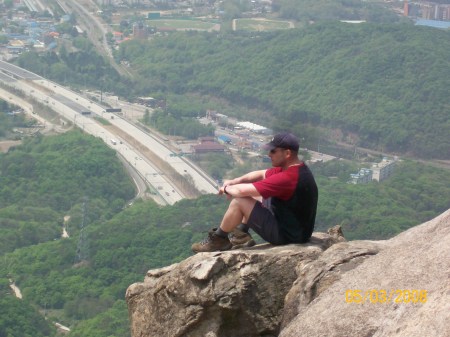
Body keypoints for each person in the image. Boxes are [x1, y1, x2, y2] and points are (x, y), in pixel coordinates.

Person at [192, 131, 318, 253]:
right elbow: (261, 174)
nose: (269, 154)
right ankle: (241, 235)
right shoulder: (296, 169)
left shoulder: (288, 178)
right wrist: (236, 181)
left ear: (287, 153)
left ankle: (219, 239)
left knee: (239, 201)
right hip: (297, 230)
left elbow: (240, 192)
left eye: (273, 151)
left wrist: (225, 188)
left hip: (287, 235)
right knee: (256, 193)